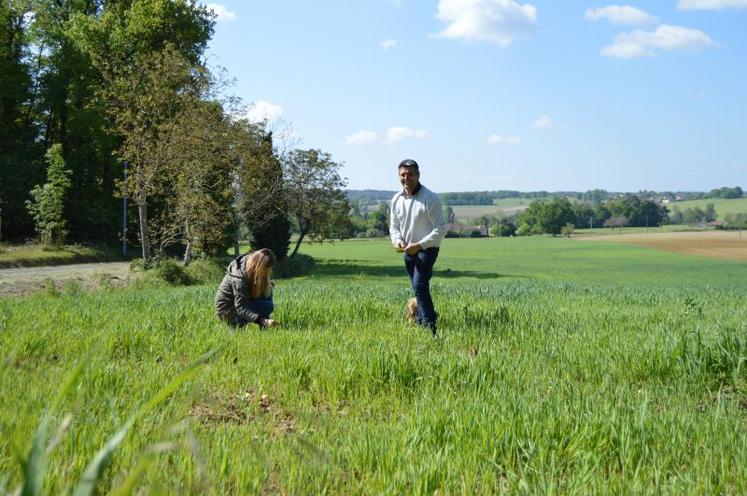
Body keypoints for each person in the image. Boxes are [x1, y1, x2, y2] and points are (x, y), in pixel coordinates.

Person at [389, 159, 446, 335]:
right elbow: (394, 226)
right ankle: (421, 318)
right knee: (418, 287)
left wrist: (419, 245)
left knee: (420, 285)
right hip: (407, 250)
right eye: (403, 175)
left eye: (410, 174)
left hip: (427, 250)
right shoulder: (396, 199)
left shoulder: (430, 198)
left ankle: (429, 325)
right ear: (399, 176)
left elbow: (440, 230)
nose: (406, 178)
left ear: (418, 176)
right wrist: (397, 240)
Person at [214, 248, 278, 328]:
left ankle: (264, 327)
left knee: (268, 289)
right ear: (259, 266)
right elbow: (241, 307)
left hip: (235, 306)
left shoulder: (249, 263)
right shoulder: (239, 279)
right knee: (267, 306)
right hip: (227, 311)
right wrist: (262, 321)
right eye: (266, 269)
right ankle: (236, 324)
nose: (268, 272)